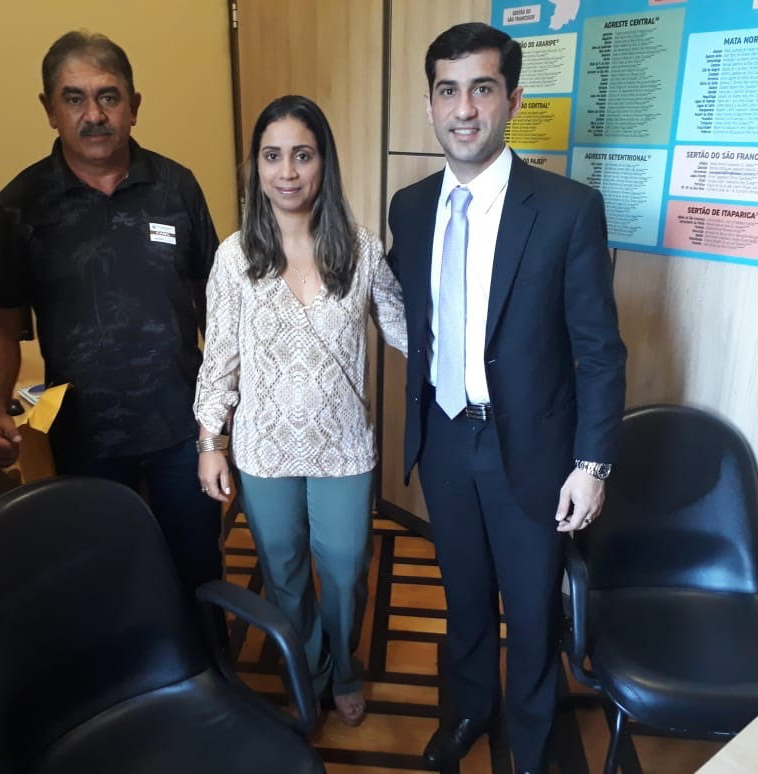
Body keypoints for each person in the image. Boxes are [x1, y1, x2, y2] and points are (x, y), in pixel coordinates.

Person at [386, 22, 627, 773]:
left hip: (532, 448)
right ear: (430, 103)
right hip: (443, 436)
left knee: (530, 608)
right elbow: (405, 309)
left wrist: (592, 464)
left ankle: (529, 740)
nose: (464, 109)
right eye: (448, 91)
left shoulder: (566, 208)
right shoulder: (409, 207)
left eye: (482, 89)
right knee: (462, 597)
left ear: (513, 100)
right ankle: (467, 711)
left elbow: (599, 351)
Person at [0, 31, 223, 605]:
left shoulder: (176, 187)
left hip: (181, 426)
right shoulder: (21, 204)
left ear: (134, 105)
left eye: (109, 97)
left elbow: (216, 299)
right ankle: (124, 661)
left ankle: (208, 656)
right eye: (75, 98)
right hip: (84, 436)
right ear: (49, 109)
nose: (94, 115)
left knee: (198, 566)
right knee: (106, 575)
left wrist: (233, 398)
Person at [194, 95, 407, 726]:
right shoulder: (234, 257)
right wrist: (210, 442)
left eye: (302, 155)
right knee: (283, 570)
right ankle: (308, 669)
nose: (287, 172)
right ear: (256, 167)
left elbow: (406, 330)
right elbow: (220, 358)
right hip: (264, 445)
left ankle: (344, 669)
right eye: (272, 156)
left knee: (345, 567)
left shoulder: (360, 251)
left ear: (324, 163)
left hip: (342, 444)